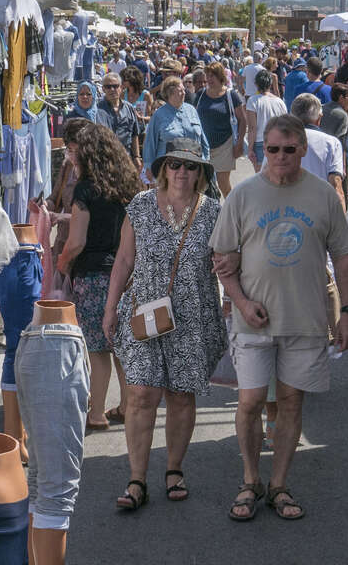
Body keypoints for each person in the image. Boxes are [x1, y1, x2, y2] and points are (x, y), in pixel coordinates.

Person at [211, 114, 348, 522]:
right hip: (253, 320)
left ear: (303, 150)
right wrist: (240, 302)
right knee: (251, 401)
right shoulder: (243, 195)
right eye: (272, 149)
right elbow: (223, 261)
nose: (279, 157)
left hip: (305, 320)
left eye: (288, 150)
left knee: (291, 402)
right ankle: (249, 480)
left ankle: (279, 484)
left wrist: (346, 312)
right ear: (263, 150)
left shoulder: (324, 195)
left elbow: (343, 258)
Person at [102, 139, 227, 510]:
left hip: (192, 316)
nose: (181, 172)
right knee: (140, 395)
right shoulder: (140, 206)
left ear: (200, 172)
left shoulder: (213, 213)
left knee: (180, 396)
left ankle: (174, 469)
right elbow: (124, 260)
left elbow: (224, 262)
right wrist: (109, 308)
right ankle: (136, 478)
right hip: (145, 313)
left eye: (189, 166)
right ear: (162, 169)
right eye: (174, 165)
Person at [57, 124, 141, 429]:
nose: (71, 155)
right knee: (118, 345)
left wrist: (62, 263)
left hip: (93, 275)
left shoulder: (86, 189)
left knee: (97, 349)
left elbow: (77, 241)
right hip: (124, 272)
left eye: (75, 151)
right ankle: (127, 406)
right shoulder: (126, 184)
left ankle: (96, 413)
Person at [194, 62, 246, 198]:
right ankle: (209, 213)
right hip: (202, 147)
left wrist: (239, 143)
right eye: (208, 76)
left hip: (225, 145)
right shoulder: (200, 94)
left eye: (213, 76)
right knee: (202, 184)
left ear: (220, 77)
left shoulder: (231, 95)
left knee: (223, 183)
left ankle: (232, 211)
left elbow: (243, 120)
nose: (209, 79)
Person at [143, 76, 209, 181]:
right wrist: (149, 167)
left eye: (184, 90)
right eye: (180, 91)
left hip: (193, 167)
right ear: (169, 93)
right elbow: (150, 143)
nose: (184, 93)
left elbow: (203, 140)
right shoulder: (158, 115)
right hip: (168, 170)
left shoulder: (191, 110)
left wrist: (205, 161)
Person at [290, 93, 345, 208]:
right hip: (319, 214)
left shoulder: (276, 141)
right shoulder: (331, 143)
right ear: (319, 118)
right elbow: (336, 187)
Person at [47, 118, 87, 267]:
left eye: (78, 150)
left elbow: (95, 219)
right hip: (63, 245)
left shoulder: (98, 175)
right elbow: (55, 199)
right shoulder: (67, 167)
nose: (74, 156)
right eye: (70, 150)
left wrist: (64, 217)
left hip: (85, 251)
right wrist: (43, 205)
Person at [96, 72, 142, 174]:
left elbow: (134, 134)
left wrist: (137, 157)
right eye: (108, 87)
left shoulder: (129, 108)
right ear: (103, 89)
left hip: (126, 159)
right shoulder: (96, 110)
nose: (112, 89)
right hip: (105, 161)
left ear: (121, 87)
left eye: (115, 86)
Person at [246, 69, 286, 172]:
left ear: (256, 83)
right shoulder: (279, 101)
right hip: (278, 142)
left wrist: (250, 149)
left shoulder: (252, 101)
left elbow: (252, 128)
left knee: (261, 178)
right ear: (270, 84)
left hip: (260, 142)